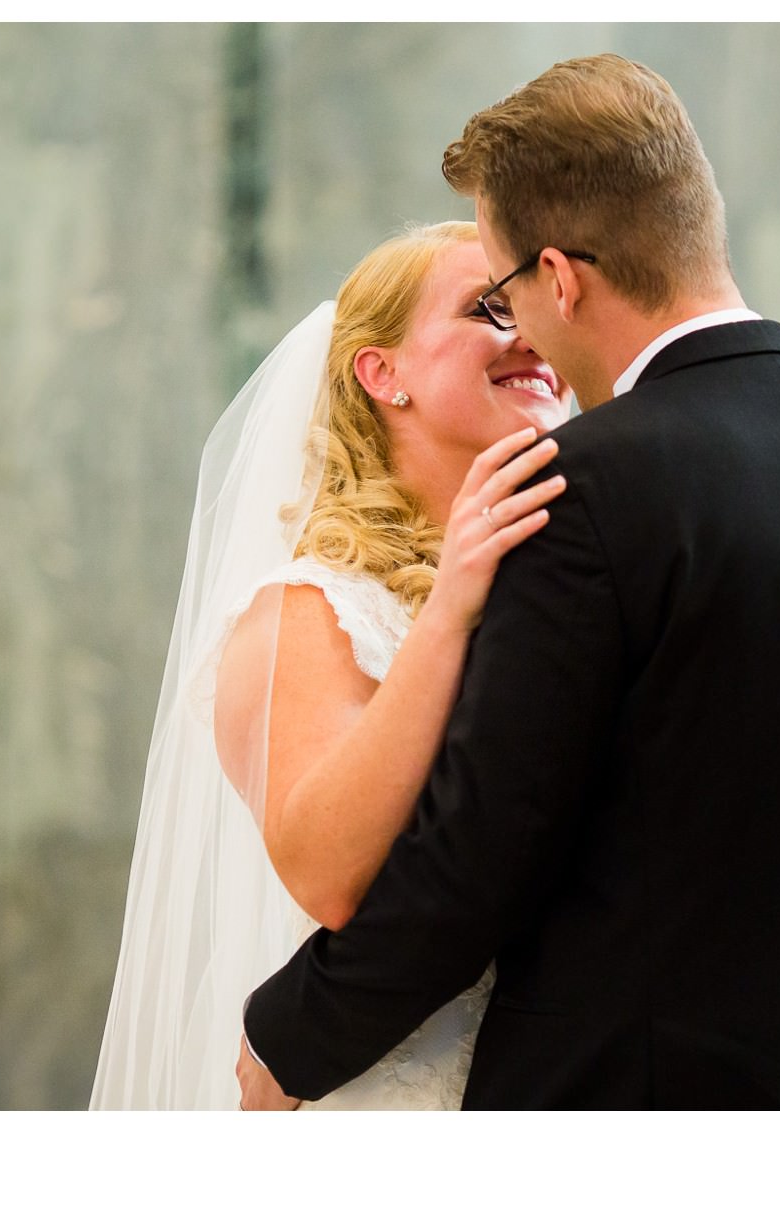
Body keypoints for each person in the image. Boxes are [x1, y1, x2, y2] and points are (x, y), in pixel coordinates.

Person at [237, 53, 780, 1110]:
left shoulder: (581, 491)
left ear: (557, 278)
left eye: (507, 293)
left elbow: (477, 861)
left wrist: (290, 1037)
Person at [90, 220, 571, 1109]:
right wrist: (453, 602)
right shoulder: (311, 611)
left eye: (533, 312)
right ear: (383, 374)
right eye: (488, 310)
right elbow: (331, 873)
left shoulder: (559, 590)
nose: (528, 336)